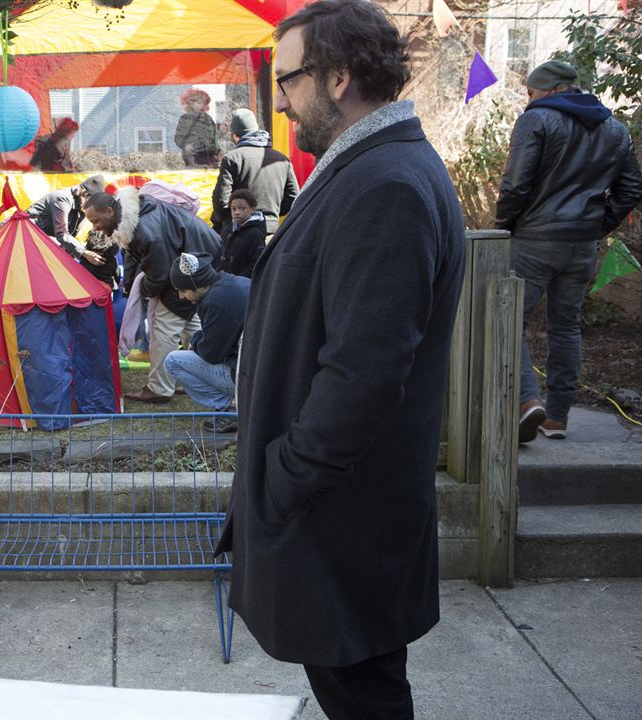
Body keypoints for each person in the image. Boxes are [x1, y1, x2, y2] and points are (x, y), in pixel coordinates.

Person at [216, 2, 466, 718]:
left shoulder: (385, 183)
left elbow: (365, 370)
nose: (281, 102)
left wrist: (285, 480)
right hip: (339, 512)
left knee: (364, 694)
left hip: (341, 517)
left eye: (288, 80)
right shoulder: (366, 167)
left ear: (339, 77)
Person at [495, 59, 642, 443]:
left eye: (531, 92)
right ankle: (557, 417)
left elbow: (515, 185)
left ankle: (528, 401)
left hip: (533, 242)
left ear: (553, 89)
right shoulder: (614, 128)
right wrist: (597, 225)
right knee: (566, 328)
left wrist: (502, 228)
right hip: (582, 247)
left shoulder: (537, 120)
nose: (528, 99)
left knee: (509, 323)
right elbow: (630, 190)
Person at [83, 187, 221, 404]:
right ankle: (203, 379)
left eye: (95, 221)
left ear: (110, 211)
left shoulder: (145, 230)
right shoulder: (136, 218)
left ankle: (159, 388)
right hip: (197, 264)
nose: (96, 228)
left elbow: (160, 274)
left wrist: (143, 291)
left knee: (164, 329)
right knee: (192, 327)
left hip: (189, 270)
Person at [162, 252, 249, 433]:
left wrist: (196, 340)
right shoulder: (236, 282)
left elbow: (212, 354)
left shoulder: (215, 301)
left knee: (172, 361)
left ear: (196, 284)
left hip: (247, 376)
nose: (181, 296)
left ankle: (229, 409)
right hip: (266, 371)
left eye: (183, 290)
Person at [210, 108, 299, 236]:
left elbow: (221, 201)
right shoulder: (282, 159)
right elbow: (293, 198)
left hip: (240, 232)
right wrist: (271, 215)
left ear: (235, 136)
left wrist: (237, 215)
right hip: (271, 231)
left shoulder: (232, 158)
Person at [26, 175, 108, 265]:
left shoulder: (81, 207)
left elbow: (70, 239)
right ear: (86, 194)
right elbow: (62, 234)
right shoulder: (62, 198)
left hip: (37, 240)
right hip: (24, 235)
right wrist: (85, 253)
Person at [218, 189, 267, 278]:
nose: (237, 212)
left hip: (243, 283)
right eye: (233, 209)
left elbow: (256, 263)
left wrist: (240, 279)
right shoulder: (228, 230)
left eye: (242, 208)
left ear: (252, 209)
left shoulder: (256, 234)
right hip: (225, 280)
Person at [174, 89, 220, 167]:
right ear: (191, 103)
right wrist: (186, 146)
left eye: (203, 103)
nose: (201, 106)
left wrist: (217, 150)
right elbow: (179, 137)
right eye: (198, 103)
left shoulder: (208, 118)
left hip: (210, 157)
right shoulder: (186, 118)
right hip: (193, 157)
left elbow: (214, 136)